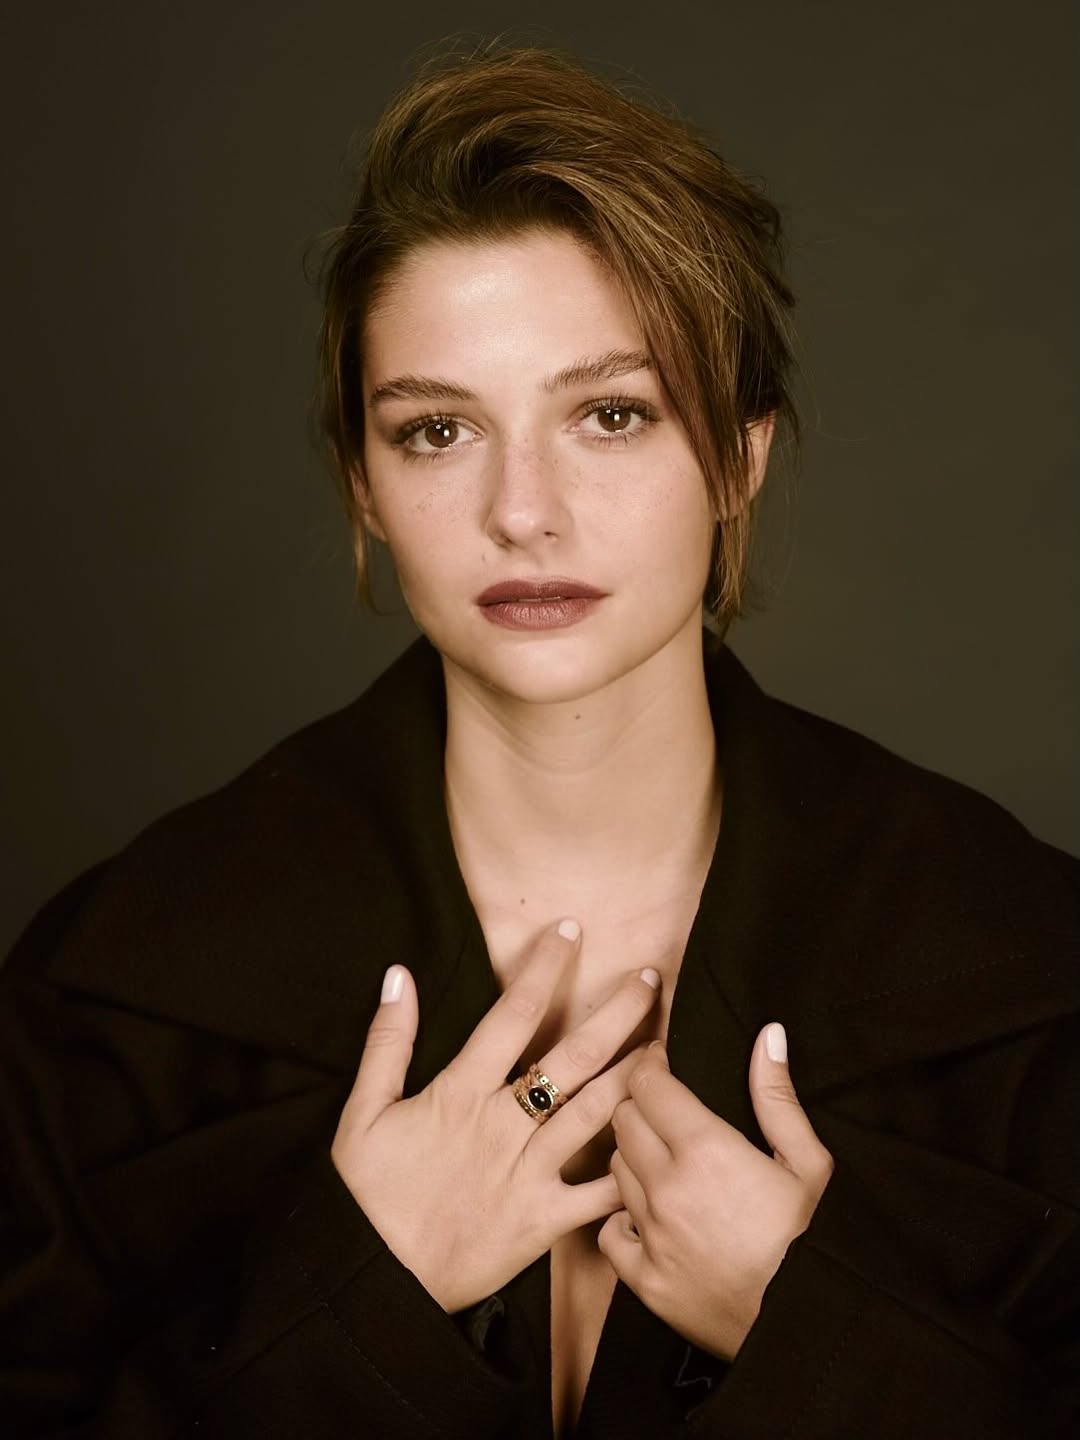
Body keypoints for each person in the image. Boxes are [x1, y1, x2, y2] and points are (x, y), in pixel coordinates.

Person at [1, 41, 1077, 1440]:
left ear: (741, 456)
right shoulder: (109, 999)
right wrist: (356, 1312)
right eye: (438, 430)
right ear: (364, 481)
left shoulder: (1032, 973)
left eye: (611, 415)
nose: (523, 511)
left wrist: (821, 1338)